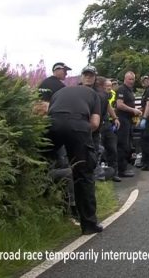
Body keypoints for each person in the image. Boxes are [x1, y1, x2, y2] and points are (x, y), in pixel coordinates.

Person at [46, 84, 103, 235]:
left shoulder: (58, 92)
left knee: (43, 165)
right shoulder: (94, 95)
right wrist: (79, 137)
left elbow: (49, 114)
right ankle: (89, 224)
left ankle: (48, 208)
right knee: (83, 174)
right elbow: (95, 123)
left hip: (52, 123)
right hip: (78, 124)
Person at [115, 72, 140, 178]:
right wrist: (133, 110)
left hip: (128, 120)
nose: (132, 81)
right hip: (122, 119)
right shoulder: (121, 89)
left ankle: (125, 167)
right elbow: (119, 105)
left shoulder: (130, 90)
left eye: (133, 79)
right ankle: (121, 170)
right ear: (125, 79)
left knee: (128, 145)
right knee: (122, 145)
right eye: (130, 79)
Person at [101, 78, 120, 181]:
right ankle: (101, 174)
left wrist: (115, 118)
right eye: (106, 85)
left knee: (112, 149)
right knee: (100, 151)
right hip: (99, 125)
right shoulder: (97, 94)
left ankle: (114, 173)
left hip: (108, 124)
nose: (108, 87)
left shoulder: (111, 94)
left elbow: (109, 106)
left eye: (110, 85)